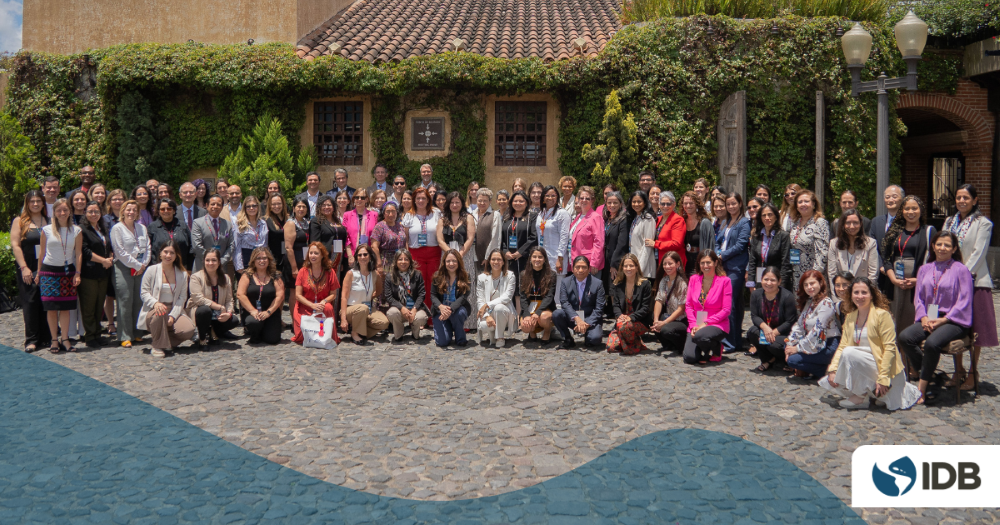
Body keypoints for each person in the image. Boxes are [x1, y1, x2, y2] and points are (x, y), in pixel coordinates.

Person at [895, 231, 974, 404]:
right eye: (939, 244)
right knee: (904, 337)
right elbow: (919, 298)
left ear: (954, 249)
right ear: (933, 246)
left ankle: (922, 388)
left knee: (932, 343)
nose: (942, 248)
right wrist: (923, 317)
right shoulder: (924, 269)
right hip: (929, 317)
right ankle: (931, 375)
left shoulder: (961, 270)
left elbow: (965, 300)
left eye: (947, 245)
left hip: (953, 320)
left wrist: (943, 320)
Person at [820, 277, 921, 410]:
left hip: (886, 370)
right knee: (842, 361)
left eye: (864, 292)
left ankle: (862, 395)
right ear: (851, 295)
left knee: (849, 353)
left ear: (872, 295)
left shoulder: (883, 315)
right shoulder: (850, 317)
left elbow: (890, 348)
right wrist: (833, 369)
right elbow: (842, 346)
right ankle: (864, 394)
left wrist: (884, 378)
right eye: (856, 292)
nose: (860, 296)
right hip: (864, 365)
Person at [941, 184, 995, 390]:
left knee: (975, 330)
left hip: (974, 282)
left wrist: (960, 275)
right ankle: (958, 370)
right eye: (958, 197)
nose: (961, 201)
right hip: (950, 283)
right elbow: (944, 247)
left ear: (975, 200)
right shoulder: (949, 221)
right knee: (955, 328)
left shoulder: (983, 223)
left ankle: (973, 373)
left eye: (966, 197)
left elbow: (979, 253)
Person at [882, 195, 935, 338]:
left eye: (914, 208)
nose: (911, 212)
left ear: (921, 210)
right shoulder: (894, 231)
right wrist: (893, 279)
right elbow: (886, 259)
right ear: (902, 211)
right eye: (907, 208)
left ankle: (910, 358)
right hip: (894, 283)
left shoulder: (928, 231)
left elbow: (934, 261)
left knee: (909, 320)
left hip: (917, 284)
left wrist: (917, 280)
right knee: (892, 322)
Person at [37, 199, 83, 353]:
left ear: (69, 211)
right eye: (59, 211)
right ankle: (54, 340)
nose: (62, 213)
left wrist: (78, 273)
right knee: (51, 308)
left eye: (65, 210)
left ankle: (65, 339)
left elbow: (78, 253)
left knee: (65, 308)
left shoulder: (76, 230)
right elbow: (42, 253)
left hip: (67, 272)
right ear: (54, 213)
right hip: (49, 272)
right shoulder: (46, 230)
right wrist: (38, 273)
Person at [137, 241, 195, 358]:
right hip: (154, 309)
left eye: (172, 253)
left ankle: (164, 342)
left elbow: (182, 297)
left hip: (174, 308)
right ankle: (157, 346)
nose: (168, 255)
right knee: (160, 312)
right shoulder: (151, 270)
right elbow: (144, 292)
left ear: (176, 256)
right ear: (160, 254)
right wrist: (155, 303)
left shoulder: (182, 274)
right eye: (166, 252)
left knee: (188, 329)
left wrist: (173, 316)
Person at [12, 191, 51, 352]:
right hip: (28, 267)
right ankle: (32, 339)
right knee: (30, 302)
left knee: (46, 302)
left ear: (43, 203)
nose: (35, 204)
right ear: (27, 204)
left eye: (38, 201)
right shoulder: (20, 221)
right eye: (32, 201)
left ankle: (47, 337)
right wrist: (24, 267)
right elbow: (15, 245)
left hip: (47, 267)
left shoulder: (49, 221)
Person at [785, 270, 841, 378]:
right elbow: (799, 325)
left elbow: (817, 331)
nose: (809, 287)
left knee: (793, 360)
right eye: (806, 285)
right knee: (787, 346)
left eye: (812, 283)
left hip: (827, 345)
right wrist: (790, 343)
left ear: (820, 283)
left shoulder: (826, 303)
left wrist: (797, 348)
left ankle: (826, 371)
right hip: (812, 343)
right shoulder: (810, 302)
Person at [111, 200, 151, 347]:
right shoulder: (117, 228)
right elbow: (119, 251)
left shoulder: (141, 228)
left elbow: (147, 246)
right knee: (125, 300)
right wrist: (137, 264)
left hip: (141, 267)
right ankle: (125, 335)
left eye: (134, 210)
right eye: (128, 209)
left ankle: (137, 332)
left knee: (139, 300)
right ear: (123, 211)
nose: (131, 212)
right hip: (123, 267)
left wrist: (143, 264)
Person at [715, 192, 751, 352]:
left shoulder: (744, 222)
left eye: (733, 204)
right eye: (728, 204)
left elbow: (741, 245)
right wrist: (716, 254)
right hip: (723, 266)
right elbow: (718, 240)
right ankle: (733, 340)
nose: (731, 207)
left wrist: (722, 255)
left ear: (740, 204)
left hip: (736, 267)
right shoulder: (727, 221)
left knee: (729, 303)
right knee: (732, 304)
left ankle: (730, 343)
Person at [437, 192, 478, 330]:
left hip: (464, 255)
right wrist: (450, 254)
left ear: (462, 203)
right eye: (452, 202)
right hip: (447, 254)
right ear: (448, 203)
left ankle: (468, 323)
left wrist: (459, 254)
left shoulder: (469, 218)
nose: (454, 205)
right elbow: (440, 239)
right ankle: (447, 318)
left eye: (457, 202)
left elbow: (470, 238)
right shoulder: (443, 219)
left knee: (464, 285)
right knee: (447, 284)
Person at [682, 250, 731, 364]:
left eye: (708, 262)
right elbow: (688, 305)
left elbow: (726, 310)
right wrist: (694, 325)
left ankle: (716, 347)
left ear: (715, 263)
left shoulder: (725, 281)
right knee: (689, 358)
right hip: (696, 324)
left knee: (701, 336)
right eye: (702, 263)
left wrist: (706, 323)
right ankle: (704, 348)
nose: (705, 266)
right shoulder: (694, 279)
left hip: (717, 323)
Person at [747, 267, 797, 371]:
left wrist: (773, 333)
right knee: (752, 332)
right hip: (766, 330)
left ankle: (784, 360)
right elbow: (754, 316)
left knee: (773, 345)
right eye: (766, 279)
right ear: (761, 280)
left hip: (783, 333)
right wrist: (765, 328)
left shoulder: (787, 297)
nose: (769, 283)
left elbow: (790, 321)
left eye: (773, 280)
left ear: (779, 281)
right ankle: (768, 359)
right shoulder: (756, 295)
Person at [291, 242, 341, 346]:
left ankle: (328, 334)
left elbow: (333, 294)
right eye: (311, 253)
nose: (313, 256)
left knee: (328, 308)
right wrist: (312, 305)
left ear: (322, 255)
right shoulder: (302, 271)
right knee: (302, 336)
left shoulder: (330, 272)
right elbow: (298, 295)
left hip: (322, 306)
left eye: (316, 253)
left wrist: (324, 301)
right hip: (305, 306)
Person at [78, 200, 113, 348]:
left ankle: (98, 333)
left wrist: (110, 257)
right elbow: (84, 251)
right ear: (85, 213)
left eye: (96, 212)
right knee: (89, 307)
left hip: (103, 273)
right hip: (89, 273)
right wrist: (103, 260)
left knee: (99, 305)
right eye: (90, 211)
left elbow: (108, 245)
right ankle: (90, 336)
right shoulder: (81, 229)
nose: (94, 214)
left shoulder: (102, 227)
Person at [187, 249, 239, 346]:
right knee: (205, 310)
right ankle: (202, 339)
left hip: (218, 314)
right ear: (204, 261)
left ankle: (213, 332)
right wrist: (219, 307)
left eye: (214, 260)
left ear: (219, 262)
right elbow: (198, 299)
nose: (210, 263)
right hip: (200, 311)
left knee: (234, 320)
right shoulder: (196, 277)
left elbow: (229, 300)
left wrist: (228, 313)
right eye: (207, 260)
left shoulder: (225, 278)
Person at [340, 244, 389, 344]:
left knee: (384, 323)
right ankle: (354, 333)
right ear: (356, 258)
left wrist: (370, 296)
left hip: (367, 309)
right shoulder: (351, 273)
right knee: (362, 308)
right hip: (351, 310)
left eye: (365, 254)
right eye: (359, 255)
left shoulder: (374, 274)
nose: (362, 257)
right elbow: (344, 297)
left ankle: (361, 331)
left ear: (370, 256)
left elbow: (379, 291)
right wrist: (343, 319)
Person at [553, 255, 605, 349]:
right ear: (572, 269)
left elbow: (599, 308)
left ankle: (588, 336)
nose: (580, 270)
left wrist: (586, 323)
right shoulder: (565, 282)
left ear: (589, 269)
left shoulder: (598, 283)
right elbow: (564, 302)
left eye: (584, 267)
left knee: (595, 339)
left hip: (590, 318)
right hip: (573, 317)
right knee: (557, 314)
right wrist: (577, 319)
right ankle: (568, 338)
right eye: (577, 267)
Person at [402, 188, 441, 309]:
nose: (420, 200)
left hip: (434, 253)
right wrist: (408, 256)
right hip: (415, 254)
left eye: (423, 198)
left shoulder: (436, 213)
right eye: (418, 198)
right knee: (418, 284)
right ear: (414, 200)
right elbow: (406, 239)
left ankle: (433, 315)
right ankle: (420, 314)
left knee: (434, 282)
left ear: (429, 199)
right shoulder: (409, 215)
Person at [606, 254, 652, 355]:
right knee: (611, 347)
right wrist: (620, 316)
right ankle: (636, 341)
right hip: (622, 320)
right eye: (625, 266)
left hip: (639, 320)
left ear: (636, 267)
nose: (628, 268)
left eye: (631, 265)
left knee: (624, 328)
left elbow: (645, 308)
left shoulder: (645, 284)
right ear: (622, 268)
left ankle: (633, 346)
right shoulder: (618, 284)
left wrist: (630, 317)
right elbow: (616, 305)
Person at [237, 246, 285, 345]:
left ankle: (265, 329)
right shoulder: (247, 275)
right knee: (253, 323)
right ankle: (255, 333)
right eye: (258, 258)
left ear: (269, 260)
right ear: (253, 261)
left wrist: (268, 312)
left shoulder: (275, 276)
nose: (261, 261)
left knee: (273, 340)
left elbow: (280, 296)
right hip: (253, 313)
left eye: (264, 258)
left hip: (270, 313)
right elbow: (240, 294)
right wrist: (253, 311)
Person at [502, 191, 538, 312]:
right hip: (508, 259)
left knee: (522, 287)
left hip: (524, 258)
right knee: (510, 287)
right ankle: (510, 317)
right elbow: (501, 238)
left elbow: (533, 237)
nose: (518, 203)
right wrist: (505, 251)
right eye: (515, 201)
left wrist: (521, 252)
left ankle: (522, 316)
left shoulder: (532, 217)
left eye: (521, 201)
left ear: (526, 202)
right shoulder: (507, 217)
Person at [788, 189, 829, 293]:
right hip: (797, 275)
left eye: (806, 201)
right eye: (800, 202)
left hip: (813, 278)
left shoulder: (819, 222)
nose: (803, 204)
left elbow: (823, 253)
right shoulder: (795, 223)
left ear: (813, 204)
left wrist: (813, 277)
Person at [383, 249, 429, 341]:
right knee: (392, 313)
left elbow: (421, 294)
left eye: (406, 259)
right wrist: (401, 307)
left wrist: (415, 308)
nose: (403, 262)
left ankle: (415, 333)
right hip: (399, 309)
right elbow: (389, 296)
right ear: (396, 261)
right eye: (400, 259)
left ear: (410, 261)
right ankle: (399, 335)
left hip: (414, 308)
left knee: (421, 317)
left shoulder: (417, 275)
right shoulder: (390, 276)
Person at [826, 208, 878, 290]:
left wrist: (865, 293)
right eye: (848, 223)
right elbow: (832, 274)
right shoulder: (834, 244)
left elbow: (873, 274)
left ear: (861, 224)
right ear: (843, 224)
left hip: (862, 293)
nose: (852, 226)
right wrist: (837, 297)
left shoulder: (871, 243)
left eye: (855, 223)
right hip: (841, 293)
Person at [747, 203, 792, 292]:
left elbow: (785, 263)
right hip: (760, 281)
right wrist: (750, 284)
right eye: (764, 215)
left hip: (776, 282)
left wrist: (781, 285)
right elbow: (752, 261)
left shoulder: (783, 236)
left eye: (770, 214)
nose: (767, 218)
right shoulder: (756, 236)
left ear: (776, 217)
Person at [476, 249, 517, 347]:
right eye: (493, 259)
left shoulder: (510, 276)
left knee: (499, 308)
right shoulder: (481, 278)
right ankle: (492, 335)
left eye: (499, 259)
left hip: (504, 311)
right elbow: (480, 299)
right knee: (484, 325)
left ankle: (500, 337)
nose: (496, 262)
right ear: (489, 261)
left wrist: (487, 305)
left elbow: (507, 297)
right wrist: (487, 316)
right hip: (487, 312)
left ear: (503, 262)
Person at [430, 249, 471, 347]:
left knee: (459, 313)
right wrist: (441, 307)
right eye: (448, 261)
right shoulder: (437, 276)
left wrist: (450, 309)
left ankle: (460, 338)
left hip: (457, 308)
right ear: (444, 262)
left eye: (454, 261)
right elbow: (433, 295)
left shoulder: (466, 276)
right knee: (442, 343)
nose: (451, 263)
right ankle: (447, 329)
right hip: (440, 310)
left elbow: (463, 296)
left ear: (458, 262)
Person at [869, 185, 905, 292]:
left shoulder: (908, 222)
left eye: (894, 196)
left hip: (901, 273)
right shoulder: (876, 222)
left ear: (902, 199)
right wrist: (881, 266)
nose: (890, 200)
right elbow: (873, 248)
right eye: (887, 197)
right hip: (881, 274)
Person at [650, 252, 688, 352]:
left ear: (678, 264)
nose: (667, 266)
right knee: (653, 319)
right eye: (665, 264)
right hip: (668, 315)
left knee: (666, 330)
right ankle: (668, 345)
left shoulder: (682, 283)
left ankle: (681, 345)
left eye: (670, 264)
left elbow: (681, 309)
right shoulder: (664, 280)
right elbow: (659, 300)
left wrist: (664, 323)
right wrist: (656, 320)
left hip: (681, 320)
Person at [518, 247, 557, 343]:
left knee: (543, 317)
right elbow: (522, 297)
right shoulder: (523, 275)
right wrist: (526, 315)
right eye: (534, 257)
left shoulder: (551, 275)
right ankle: (532, 334)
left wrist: (538, 312)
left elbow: (549, 297)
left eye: (540, 257)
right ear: (530, 259)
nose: (537, 259)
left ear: (544, 259)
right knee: (525, 326)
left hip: (545, 307)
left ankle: (547, 332)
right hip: (530, 306)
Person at [191, 194, 233, 273]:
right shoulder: (198, 223)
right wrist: (211, 260)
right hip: (202, 266)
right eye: (213, 204)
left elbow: (231, 246)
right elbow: (196, 246)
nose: (216, 206)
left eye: (219, 204)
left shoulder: (228, 224)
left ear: (222, 207)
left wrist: (221, 261)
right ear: (207, 205)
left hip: (221, 268)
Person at [534, 186, 571, 274]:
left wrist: (560, 258)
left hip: (556, 258)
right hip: (542, 257)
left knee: (557, 286)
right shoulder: (541, 213)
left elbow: (564, 237)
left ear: (557, 197)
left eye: (553, 196)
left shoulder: (562, 213)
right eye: (547, 195)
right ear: (543, 197)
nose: (550, 198)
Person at [148, 199, 193, 269]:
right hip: (159, 267)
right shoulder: (152, 227)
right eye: (162, 209)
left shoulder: (182, 225)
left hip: (181, 267)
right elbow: (149, 250)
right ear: (159, 211)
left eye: (169, 209)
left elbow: (191, 247)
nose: (166, 211)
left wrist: (189, 268)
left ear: (174, 210)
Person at [310, 195, 347, 278]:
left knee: (336, 283)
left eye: (329, 205)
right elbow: (315, 243)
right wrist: (324, 259)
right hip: (325, 258)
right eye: (323, 205)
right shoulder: (316, 221)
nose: (326, 207)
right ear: (319, 207)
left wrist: (342, 262)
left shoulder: (337, 221)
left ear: (333, 207)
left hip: (339, 257)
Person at [680, 191, 714, 277]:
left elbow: (710, 246)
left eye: (691, 203)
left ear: (697, 204)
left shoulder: (705, 222)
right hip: (685, 264)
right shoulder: (681, 221)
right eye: (685, 203)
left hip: (700, 264)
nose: (688, 206)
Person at [233, 195, 269, 275]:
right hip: (246, 257)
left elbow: (265, 244)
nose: (251, 208)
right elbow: (237, 246)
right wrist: (239, 265)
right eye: (248, 206)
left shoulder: (263, 223)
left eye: (254, 206)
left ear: (258, 207)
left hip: (261, 258)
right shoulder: (239, 223)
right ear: (244, 208)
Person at [344, 188, 378, 267]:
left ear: (366, 200)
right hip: (352, 256)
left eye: (362, 198)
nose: (359, 199)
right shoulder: (347, 215)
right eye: (357, 197)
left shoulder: (374, 215)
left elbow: (375, 237)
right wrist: (350, 256)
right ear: (354, 199)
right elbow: (346, 237)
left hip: (369, 256)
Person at [263, 194, 289, 296]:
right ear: (269, 205)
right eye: (273, 204)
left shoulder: (289, 218)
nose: (276, 206)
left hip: (287, 256)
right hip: (273, 258)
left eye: (279, 203)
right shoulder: (265, 220)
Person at [628, 191, 657, 279]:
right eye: (634, 201)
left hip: (644, 269)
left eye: (639, 201)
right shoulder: (636, 218)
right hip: (634, 265)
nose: (636, 204)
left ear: (645, 203)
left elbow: (647, 246)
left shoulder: (648, 218)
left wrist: (639, 268)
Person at [283, 198, 311, 288]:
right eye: (299, 206)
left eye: (304, 207)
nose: (301, 209)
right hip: (294, 261)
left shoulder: (307, 222)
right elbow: (288, 247)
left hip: (305, 261)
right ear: (294, 208)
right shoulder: (291, 223)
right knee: (294, 289)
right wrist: (294, 268)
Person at [474, 188, 503, 272]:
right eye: (480, 200)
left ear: (490, 201)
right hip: (473, 256)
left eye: (485, 201)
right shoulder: (472, 214)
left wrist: (489, 257)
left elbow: (495, 237)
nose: (482, 203)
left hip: (487, 257)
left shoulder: (495, 215)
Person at [654, 191, 685, 268]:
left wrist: (655, 244)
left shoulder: (678, 220)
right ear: (659, 205)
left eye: (668, 204)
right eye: (662, 204)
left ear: (674, 204)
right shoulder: (658, 219)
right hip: (660, 260)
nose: (665, 206)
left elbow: (676, 243)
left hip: (673, 262)